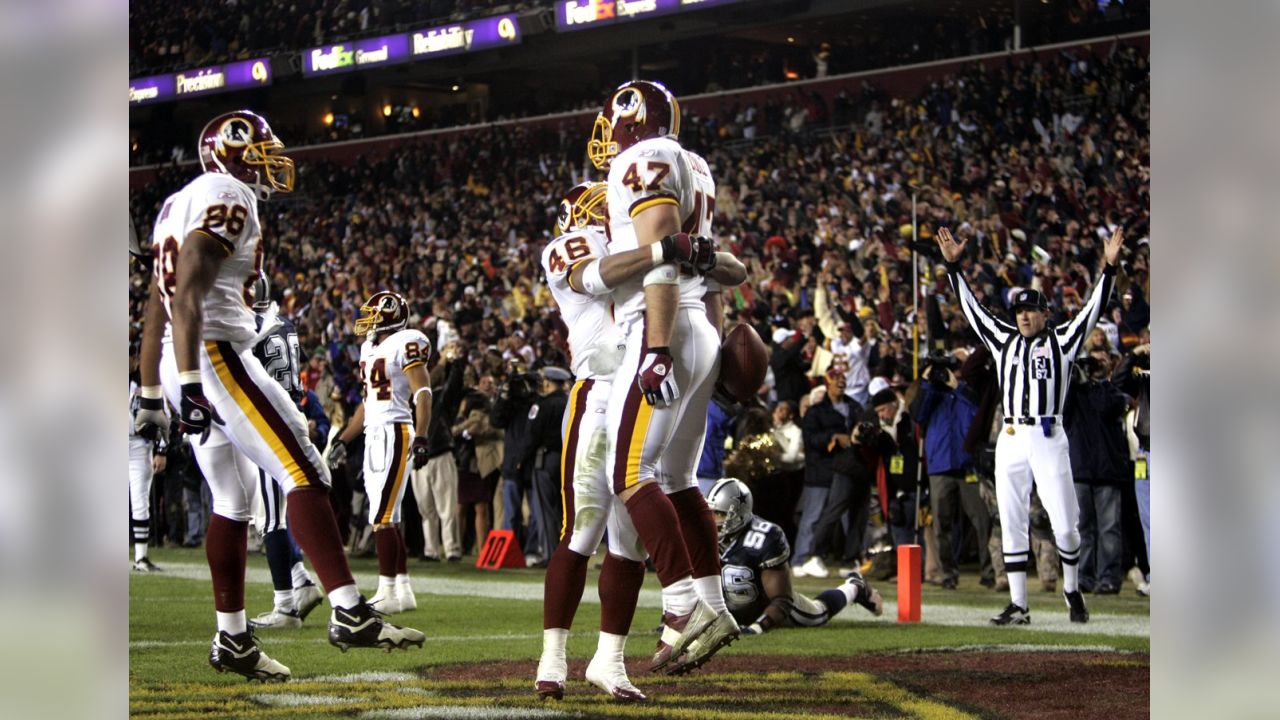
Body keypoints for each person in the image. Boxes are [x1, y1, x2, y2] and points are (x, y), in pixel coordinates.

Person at [133, 110, 423, 682]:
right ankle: (348, 611)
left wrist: (150, 389)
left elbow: (153, 305)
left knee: (232, 503)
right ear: (236, 152)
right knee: (306, 470)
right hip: (214, 353)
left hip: (180, 355)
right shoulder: (227, 191)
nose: (273, 160)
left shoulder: (176, 202)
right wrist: (192, 383)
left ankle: (234, 639)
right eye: (263, 150)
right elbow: (188, 287)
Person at [535, 181, 716, 700]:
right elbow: (591, 279)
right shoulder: (570, 245)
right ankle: (552, 658)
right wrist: (663, 247)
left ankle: (610, 662)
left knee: (628, 543)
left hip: (641, 387)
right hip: (598, 393)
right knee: (582, 531)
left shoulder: (628, 240)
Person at [590, 79, 748, 675]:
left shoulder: (642, 157)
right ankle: (712, 602)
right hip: (697, 322)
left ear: (631, 120)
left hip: (664, 324)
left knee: (627, 472)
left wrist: (658, 346)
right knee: (678, 477)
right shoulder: (696, 164)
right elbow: (712, 266)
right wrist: (707, 346)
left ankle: (683, 606)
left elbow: (659, 253)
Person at [936, 224, 1124, 625]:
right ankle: (1019, 604)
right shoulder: (1002, 337)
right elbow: (971, 311)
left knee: (1064, 524)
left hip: (1048, 433)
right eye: (1018, 310)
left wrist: (1108, 268)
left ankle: (1071, 589)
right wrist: (954, 269)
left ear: (1045, 313)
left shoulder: (1064, 340)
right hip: (1010, 436)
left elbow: (1093, 310)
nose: (1022, 316)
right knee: (1012, 517)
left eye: (1030, 310)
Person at [327, 290, 431, 615]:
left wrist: (423, 435)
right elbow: (367, 403)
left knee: (382, 517)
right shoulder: (369, 348)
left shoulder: (406, 341)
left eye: (374, 315)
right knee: (389, 517)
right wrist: (344, 438)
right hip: (374, 431)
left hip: (396, 430)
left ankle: (386, 591)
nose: (367, 322)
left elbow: (423, 392)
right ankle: (401, 589)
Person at [244, 273, 325, 629]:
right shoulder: (284, 323)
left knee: (272, 516)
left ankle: (285, 606)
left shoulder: (249, 326)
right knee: (270, 512)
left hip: (270, 419)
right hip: (290, 411)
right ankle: (301, 582)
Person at [707, 478, 883, 635]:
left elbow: (782, 600)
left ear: (739, 513)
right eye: (711, 513)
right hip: (733, 606)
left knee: (818, 613)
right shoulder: (699, 535)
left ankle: (854, 587)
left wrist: (758, 627)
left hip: (767, 605)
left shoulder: (764, 537)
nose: (713, 520)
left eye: (720, 514)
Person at [914, 353, 993, 590]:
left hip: (967, 464)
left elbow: (979, 411)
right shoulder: (930, 394)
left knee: (982, 520)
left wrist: (956, 387)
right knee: (941, 524)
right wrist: (927, 383)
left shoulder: (968, 391)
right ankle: (948, 573)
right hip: (940, 465)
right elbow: (918, 415)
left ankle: (989, 571)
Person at [1065, 351, 1132, 594]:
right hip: (1081, 469)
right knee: (1083, 528)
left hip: (1107, 471)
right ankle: (1083, 577)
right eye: (1089, 362)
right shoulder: (1071, 392)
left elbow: (1105, 407)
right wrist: (1073, 383)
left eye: (1100, 361)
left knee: (1109, 528)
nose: (1094, 365)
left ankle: (1109, 578)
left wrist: (1095, 384)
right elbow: (1063, 413)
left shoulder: (1112, 391)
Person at [792, 367, 864, 578]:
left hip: (847, 470)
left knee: (846, 518)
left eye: (843, 378)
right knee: (813, 517)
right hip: (821, 472)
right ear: (828, 382)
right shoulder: (816, 411)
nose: (841, 382)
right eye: (837, 379)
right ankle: (801, 559)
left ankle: (848, 560)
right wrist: (833, 438)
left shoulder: (854, 406)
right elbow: (810, 439)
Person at [412, 340, 466, 564]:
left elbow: (454, 384)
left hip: (441, 452)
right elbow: (429, 380)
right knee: (426, 508)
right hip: (417, 456)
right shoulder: (412, 395)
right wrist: (443, 361)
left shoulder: (440, 396)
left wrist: (454, 362)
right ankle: (431, 550)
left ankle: (452, 550)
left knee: (446, 507)